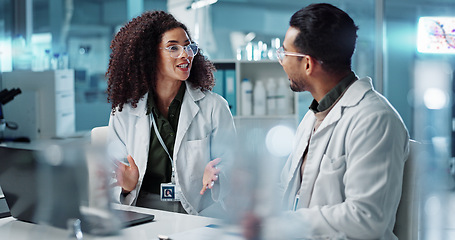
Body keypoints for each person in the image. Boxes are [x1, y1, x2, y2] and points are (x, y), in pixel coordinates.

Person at [243, 3, 409, 239]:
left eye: (285, 53)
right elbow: (288, 188)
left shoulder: (375, 119)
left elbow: (366, 217)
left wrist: (287, 222)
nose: (281, 61)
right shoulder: (315, 115)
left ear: (308, 64)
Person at [105, 10, 235, 216]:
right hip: (142, 209)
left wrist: (218, 176)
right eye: (173, 48)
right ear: (149, 54)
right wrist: (126, 186)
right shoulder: (124, 112)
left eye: (188, 47)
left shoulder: (214, 106)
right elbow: (110, 175)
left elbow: (233, 164)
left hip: (198, 208)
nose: (185, 55)